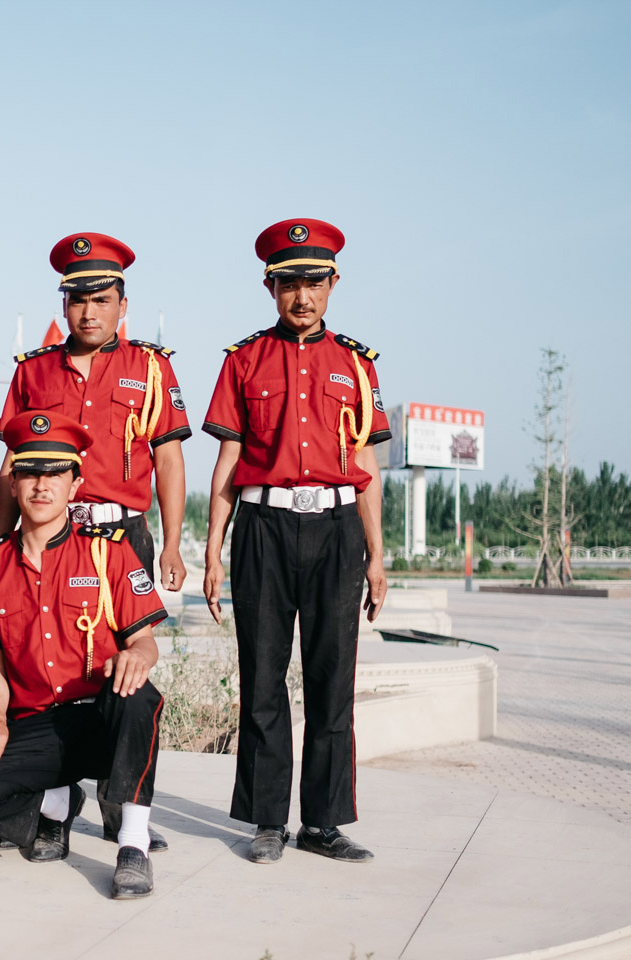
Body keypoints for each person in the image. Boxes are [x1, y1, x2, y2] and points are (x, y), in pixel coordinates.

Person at [200, 218, 390, 864]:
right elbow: (227, 462)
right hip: (263, 529)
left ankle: (323, 824)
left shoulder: (357, 366)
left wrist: (377, 556)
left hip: (337, 531)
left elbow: (366, 468)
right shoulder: (243, 361)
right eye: (288, 284)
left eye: (313, 282)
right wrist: (212, 550)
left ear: (333, 284)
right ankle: (266, 821)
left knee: (333, 679)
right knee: (262, 677)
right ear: (270, 287)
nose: (301, 296)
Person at [0, 232, 188, 851]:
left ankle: (120, 808)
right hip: (49, 532)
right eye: (77, 299)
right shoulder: (32, 370)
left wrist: (173, 543)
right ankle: (54, 796)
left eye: (101, 299)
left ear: (122, 305)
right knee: (44, 663)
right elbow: (12, 464)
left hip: (124, 532)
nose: (88, 311)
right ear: (64, 304)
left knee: (124, 671)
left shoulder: (150, 368)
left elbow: (169, 459)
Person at [0, 412, 169, 899]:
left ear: (75, 485)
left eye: (56, 474)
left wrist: (138, 657)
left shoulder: (109, 553)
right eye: (30, 473)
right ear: (13, 482)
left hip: (99, 720)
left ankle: (132, 844)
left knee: (136, 694)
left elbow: (145, 641)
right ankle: (55, 806)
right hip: (35, 724)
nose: (42, 485)